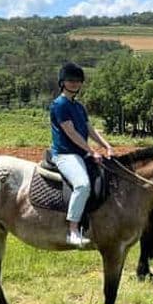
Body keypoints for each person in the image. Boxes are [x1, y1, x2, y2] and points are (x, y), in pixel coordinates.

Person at [50, 62, 114, 248]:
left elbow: (89, 130)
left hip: (81, 154)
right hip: (65, 154)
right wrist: (92, 151)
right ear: (62, 82)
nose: (74, 83)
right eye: (70, 80)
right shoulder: (59, 105)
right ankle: (73, 230)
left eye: (78, 80)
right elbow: (71, 132)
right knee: (83, 185)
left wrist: (107, 146)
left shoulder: (79, 106)